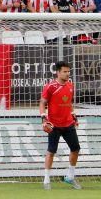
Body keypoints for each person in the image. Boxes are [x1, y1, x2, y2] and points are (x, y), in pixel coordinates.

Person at [40, 60, 82, 190]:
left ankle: (70, 177)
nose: (67, 74)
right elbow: (42, 103)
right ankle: (46, 180)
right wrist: (43, 118)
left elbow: (69, 103)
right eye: (65, 71)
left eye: (69, 71)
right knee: (51, 151)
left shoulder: (70, 85)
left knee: (75, 149)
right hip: (54, 124)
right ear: (58, 72)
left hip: (68, 123)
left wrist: (74, 116)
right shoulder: (50, 87)